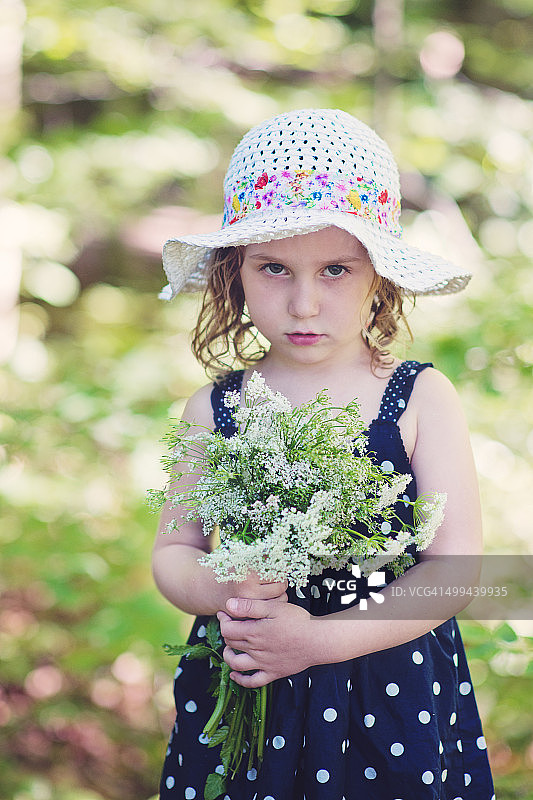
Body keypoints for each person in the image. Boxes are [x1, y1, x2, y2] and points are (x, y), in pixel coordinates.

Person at [152, 109, 495, 799]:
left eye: (335, 269)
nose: (303, 303)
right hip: (250, 676)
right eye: (273, 268)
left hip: (387, 686)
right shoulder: (214, 408)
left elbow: (454, 572)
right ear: (235, 273)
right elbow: (174, 552)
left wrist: (317, 641)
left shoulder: (419, 398)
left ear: (379, 277)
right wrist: (229, 588)